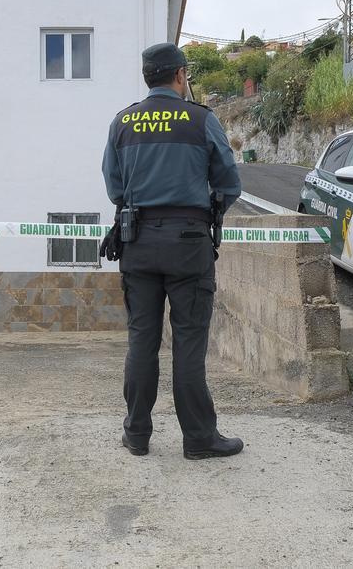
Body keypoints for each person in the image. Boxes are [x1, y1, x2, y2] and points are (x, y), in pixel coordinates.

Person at [100, 42, 244, 460]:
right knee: (189, 344)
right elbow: (229, 182)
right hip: (189, 246)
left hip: (137, 244)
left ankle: (137, 434)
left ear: (148, 76)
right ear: (180, 75)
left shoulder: (123, 122)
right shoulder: (201, 119)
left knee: (141, 341)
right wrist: (205, 212)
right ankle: (199, 438)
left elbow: (114, 186)